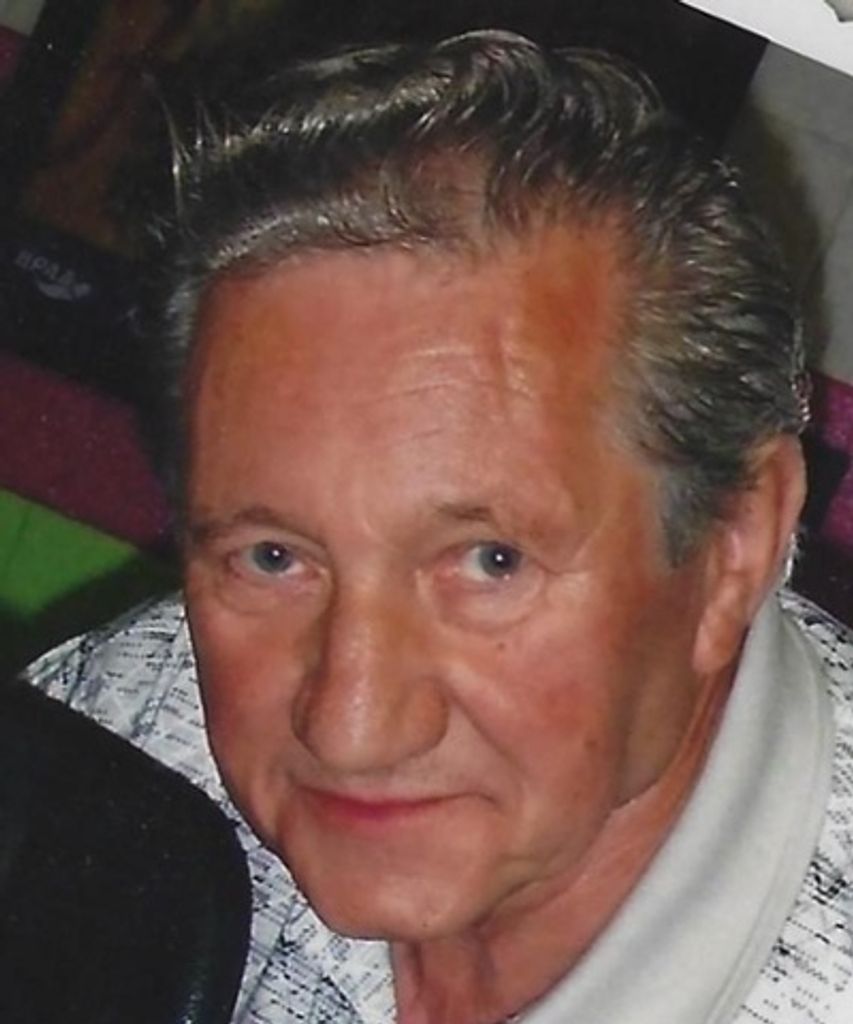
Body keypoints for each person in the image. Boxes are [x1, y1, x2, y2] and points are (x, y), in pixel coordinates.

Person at [25, 29, 853, 1024]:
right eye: (274, 557)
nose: (349, 726)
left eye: (489, 561)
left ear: (734, 548)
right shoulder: (129, 727)